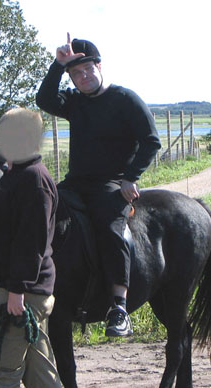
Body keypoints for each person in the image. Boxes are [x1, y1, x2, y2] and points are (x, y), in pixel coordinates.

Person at [36, 34, 161, 337]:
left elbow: (151, 141)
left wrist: (130, 177)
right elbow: (44, 100)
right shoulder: (76, 103)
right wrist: (57, 64)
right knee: (44, 216)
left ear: (99, 66)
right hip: (75, 183)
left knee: (110, 228)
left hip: (111, 184)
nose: (83, 77)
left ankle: (118, 306)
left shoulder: (125, 99)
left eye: (88, 70)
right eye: (76, 73)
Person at [0, 108, 64, 388]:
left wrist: (17, 290)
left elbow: (32, 241)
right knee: (39, 372)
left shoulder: (34, 180)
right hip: (20, 288)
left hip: (18, 291)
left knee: (3, 371)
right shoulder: (16, 175)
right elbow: (7, 229)